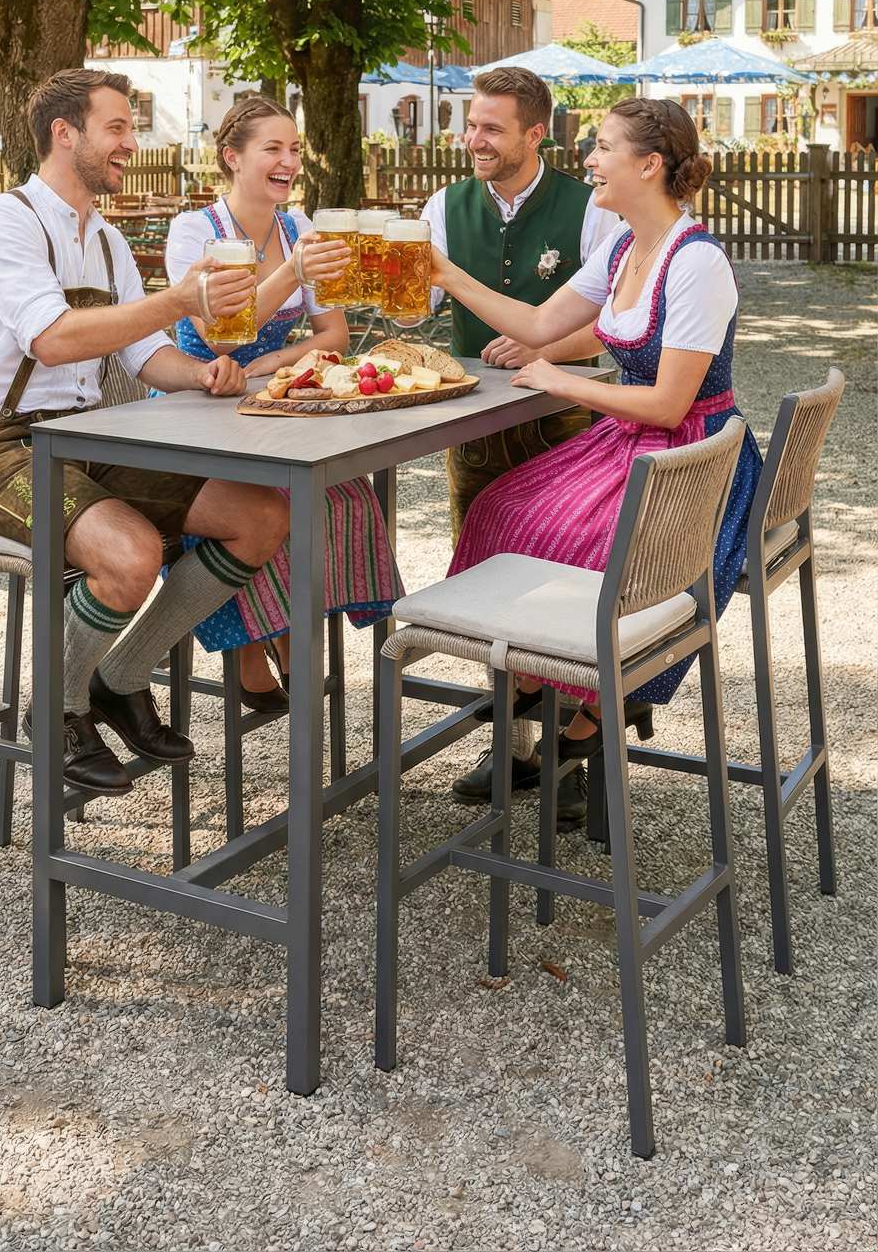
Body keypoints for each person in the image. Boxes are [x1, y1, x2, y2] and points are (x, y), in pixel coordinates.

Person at [0, 68, 290, 795]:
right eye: (119, 128)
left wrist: (204, 374)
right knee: (129, 556)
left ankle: (120, 676)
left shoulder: (105, 240)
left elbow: (144, 358)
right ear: (65, 135)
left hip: (85, 437)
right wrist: (176, 299)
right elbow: (55, 339)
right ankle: (57, 708)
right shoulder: (6, 221)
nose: (133, 142)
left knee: (260, 516)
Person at [435, 97, 761, 750]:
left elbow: (671, 404)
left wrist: (560, 379)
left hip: (690, 457)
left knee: (563, 532)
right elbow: (536, 324)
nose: (589, 159)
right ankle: (537, 675)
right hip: (631, 441)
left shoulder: (696, 262)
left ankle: (604, 691)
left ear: (648, 164)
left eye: (604, 146)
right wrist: (444, 273)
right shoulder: (622, 247)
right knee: (498, 507)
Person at [422, 66, 621, 820]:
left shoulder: (590, 209)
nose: (474, 139)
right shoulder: (446, 205)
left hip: (564, 415)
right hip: (472, 416)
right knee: (486, 564)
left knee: (562, 578)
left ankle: (569, 753)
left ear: (535, 133)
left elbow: (617, 317)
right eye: (471, 124)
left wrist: (554, 353)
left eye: (492, 127)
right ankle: (513, 744)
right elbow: (422, 307)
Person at [165, 95, 403, 707]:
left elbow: (334, 335)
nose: (289, 160)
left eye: (294, 149)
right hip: (200, 406)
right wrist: (291, 275)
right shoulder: (197, 231)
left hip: (272, 400)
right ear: (232, 158)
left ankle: (289, 634)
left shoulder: (299, 230)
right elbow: (222, 333)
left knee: (347, 499)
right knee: (269, 501)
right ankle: (257, 642)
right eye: (273, 148)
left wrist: (270, 365)